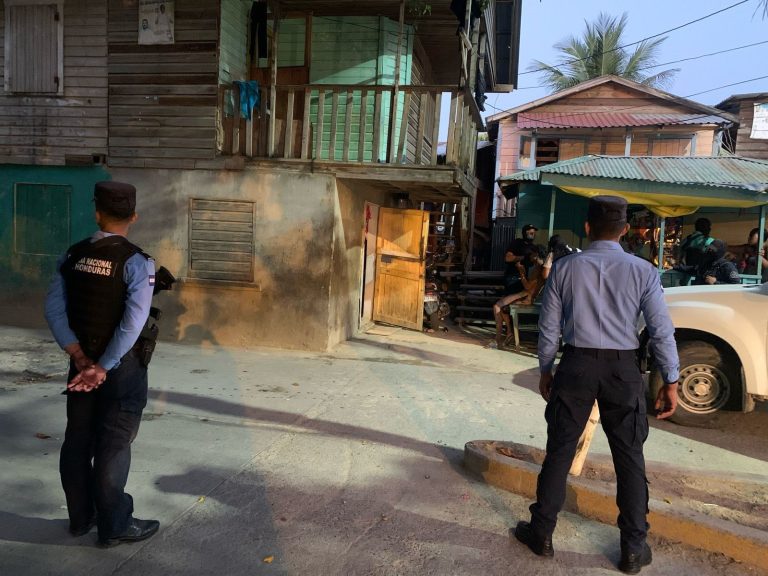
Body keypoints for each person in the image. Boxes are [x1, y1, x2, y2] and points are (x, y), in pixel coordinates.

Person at [514, 196, 680, 575]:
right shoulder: (644, 271)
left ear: (587, 228)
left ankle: (541, 532)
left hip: (576, 366)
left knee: (560, 449)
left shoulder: (565, 269)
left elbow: (549, 327)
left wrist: (545, 369)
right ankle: (633, 548)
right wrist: (671, 379)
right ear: (625, 230)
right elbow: (661, 330)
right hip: (623, 370)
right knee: (629, 456)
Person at [44, 181, 160, 547]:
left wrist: (80, 357)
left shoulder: (72, 255)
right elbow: (132, 323)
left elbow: (53, 310)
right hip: (121, 369)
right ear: (134, 216)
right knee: (115, 443)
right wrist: (103, 366)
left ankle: (80, 519)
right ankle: (114, 525)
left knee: (77, 440)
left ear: (97, 213)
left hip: (82, 367)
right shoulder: (137, 263)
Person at [493, 245, 547, 348]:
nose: (529, 256)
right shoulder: (540, 267)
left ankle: (498, 340)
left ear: (536, 254)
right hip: (526, 295)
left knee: (497, 306)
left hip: (526, 297)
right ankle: (507, 334)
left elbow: (527, 287)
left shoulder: (538, 268)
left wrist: (521, 272)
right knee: (500, 306)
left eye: (531, 254)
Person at [674, 239, 740, 285]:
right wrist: (674, 267)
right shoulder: (706, 263)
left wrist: (716, 282)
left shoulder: (727, 266)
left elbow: (735, 285)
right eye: (709, 248)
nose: (709, 251)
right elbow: (692, 269)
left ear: (719, 252)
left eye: (712, 250)